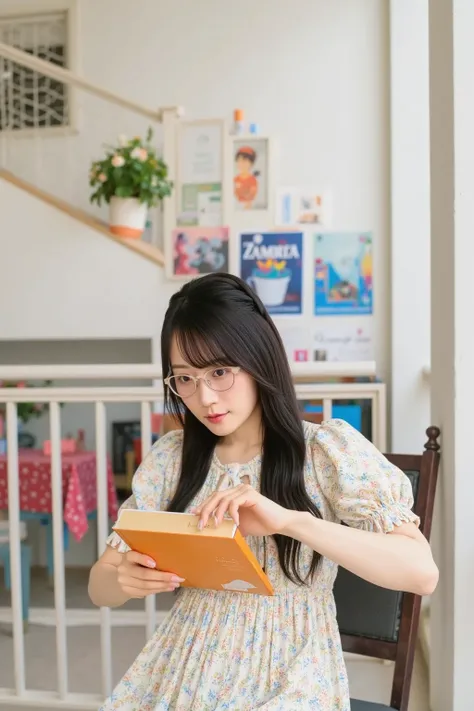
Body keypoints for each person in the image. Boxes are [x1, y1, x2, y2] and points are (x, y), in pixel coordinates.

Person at [89, 273, 438, 711]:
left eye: (220, 371)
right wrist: (121, 579)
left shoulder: (324, 451)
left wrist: (291, 521)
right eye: (185, 379)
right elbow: (99, 586)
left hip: (289, 669)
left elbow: (421, 571)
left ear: (259, 359)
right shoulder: (173, 459)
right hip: (185, 662)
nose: (205, 397)